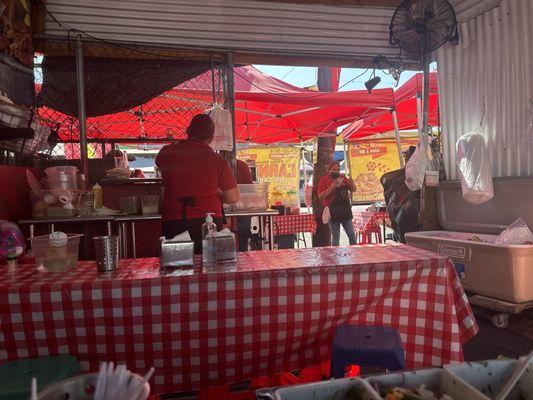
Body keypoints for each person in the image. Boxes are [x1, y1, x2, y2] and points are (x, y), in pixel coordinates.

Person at [155, 114, 239, 253]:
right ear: (211, 138)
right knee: (208, 266)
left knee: (176, 266)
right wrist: (219, 196)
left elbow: (158, 162)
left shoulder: (167, 152)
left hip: (174, 220)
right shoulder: (217, 160)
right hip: (208, 222)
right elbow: (232, 197)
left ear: (188, 131)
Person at [318, 161, 357, 246]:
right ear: (328, 170)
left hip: (345, 210)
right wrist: (332, 186)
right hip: (332, 211)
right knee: (336, 237)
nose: (336, 171)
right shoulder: (323, 180)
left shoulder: (343, 178)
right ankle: (335, 256)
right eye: (333, 169)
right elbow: (320, 196)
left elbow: (353, 190)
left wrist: (351, 183)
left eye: (338, 169)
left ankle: (355, 253)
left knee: (351, 234)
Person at [235, 159, 253, 251]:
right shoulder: (242, 165)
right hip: (243, 208)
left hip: (242, 209)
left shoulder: (241, 165)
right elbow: (250, 189)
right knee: (242, 241)